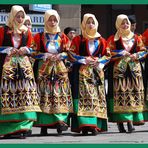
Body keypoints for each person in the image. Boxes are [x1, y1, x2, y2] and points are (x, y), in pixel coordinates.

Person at [0, 5, 41, 139]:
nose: (20, 18)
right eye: (17, 16)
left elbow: (33, 49)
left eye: (22, 16)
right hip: (8, 67)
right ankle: (8, 128)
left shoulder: (26, 32)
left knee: (25, 95)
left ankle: (23, 127)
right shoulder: (3, 30)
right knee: (9, 95)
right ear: (12, 16)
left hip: (23, 68)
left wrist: (26, 50)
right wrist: (7, 50)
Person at [68, 13, 110, 135]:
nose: (90, 24)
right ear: (83, 24)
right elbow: (71, 54)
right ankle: (84, 125)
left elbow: (108, 55)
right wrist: (84, 59)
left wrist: (99, 61)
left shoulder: (101, 40)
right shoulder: (78, 39)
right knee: (83, 99)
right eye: (88, 22)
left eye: (92, 22)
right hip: (82, 74)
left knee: (96, 98)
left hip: (96, 73)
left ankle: (95, 125)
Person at [33, 9, 73, 135]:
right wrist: (44, 55)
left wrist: (61, 55)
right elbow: (33, 52)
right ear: (45, 20)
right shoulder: (39, 36)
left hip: (59, 70)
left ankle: (60, 121)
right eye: (50, 19)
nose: (52, 22)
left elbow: (69, 52)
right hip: (44, 69)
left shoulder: (62, 36)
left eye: (55, 19)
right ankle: (44, 124)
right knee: (45, 95)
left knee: (60, 94)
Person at [107, 14, 147, 133]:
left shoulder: (136, 38)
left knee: (133, 95)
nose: (125, 25)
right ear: (118, 24)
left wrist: (137, 55)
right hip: (119, 72)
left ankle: (130, 122)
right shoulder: (113, 39)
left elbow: (143, 51)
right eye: (122, 23)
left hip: (134, 71)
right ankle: (120, 122)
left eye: (127, 23)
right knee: (121, 95)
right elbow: (108, 53)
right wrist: (120, 53)